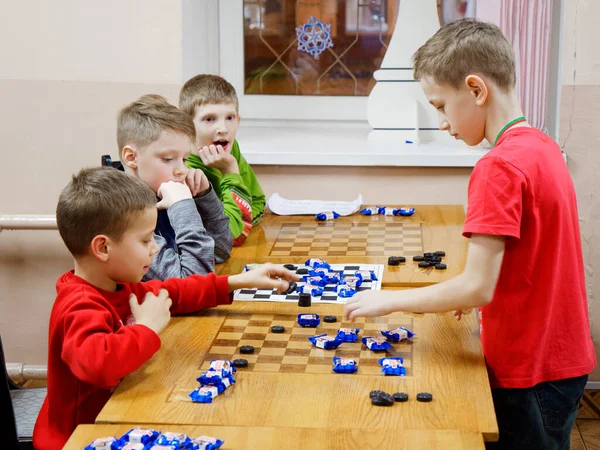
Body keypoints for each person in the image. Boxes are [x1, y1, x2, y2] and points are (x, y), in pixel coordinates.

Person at [344, 18, 595, 450]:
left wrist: (390, 300)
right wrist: (466, 294)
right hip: (564, 359)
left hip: (528, 369)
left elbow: (478, 286)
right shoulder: (542, 146)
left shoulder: (496, 167)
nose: (442, 123)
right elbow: (528, 257)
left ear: (477, 90)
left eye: (440, 105)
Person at [33, 167, 297, 450]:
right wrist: (145, 327)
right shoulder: (80, 305)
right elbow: (100, 365)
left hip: (121, 418)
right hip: (79, 437)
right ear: (103, 248)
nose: (155, 249)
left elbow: (174, 291)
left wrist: (237, 281)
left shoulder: (119, 285)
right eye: (146, 240)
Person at [118, 94, 232, 280]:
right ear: (131, 157)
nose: (181, 170)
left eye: (185, 159)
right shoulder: (123, 215)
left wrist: (205, 196)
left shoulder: (161, 192)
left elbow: (219, 251)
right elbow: (192, 284)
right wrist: (183, 206)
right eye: (168, 159)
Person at [179, 74, 266, 246]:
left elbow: (258, 202)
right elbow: (232, 233)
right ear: (187, 125)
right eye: (209, 119)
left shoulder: (230, 150)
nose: (223, 129)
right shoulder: (183, 168)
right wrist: (230, 171)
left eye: (230, 118)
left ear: (238, 120)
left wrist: (240, 220)